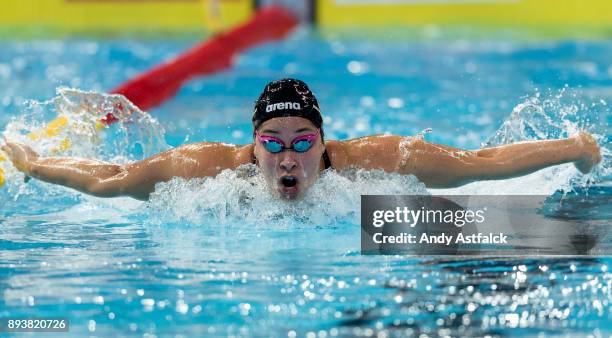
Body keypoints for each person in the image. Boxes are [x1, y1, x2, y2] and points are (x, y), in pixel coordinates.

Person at [0, 78, 602, 201]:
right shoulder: (204, 171)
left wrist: (576, 150)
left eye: (302, 141)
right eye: (274, 141)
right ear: (253, 145)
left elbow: (479, 163)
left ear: (324, 142)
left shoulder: (382, 160)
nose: (288, 157)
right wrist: (34, 163)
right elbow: (110, 181)